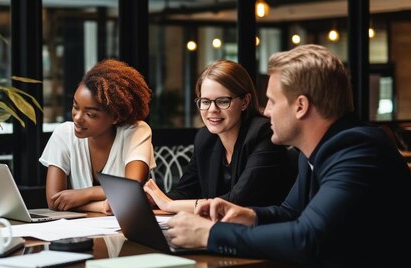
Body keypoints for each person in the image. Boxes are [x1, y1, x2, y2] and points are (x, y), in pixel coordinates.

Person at [166, 45, 411, 266]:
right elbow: (290, 212)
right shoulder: (314, 150)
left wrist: (209, 234)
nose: (266, 111)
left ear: (300, 106)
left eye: (272, 101)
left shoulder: (357, 149)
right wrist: (249, 215)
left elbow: (308, 238)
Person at [144, 60, 296, 213]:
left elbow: (237, 201)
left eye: (223, 101)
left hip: (262, 232)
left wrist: (168, 205)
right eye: (205, 101)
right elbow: (185, 192)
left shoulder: (263, 134)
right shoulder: (205, 138)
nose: (212, 109)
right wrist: (155, 200)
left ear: (245, 102)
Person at [39, 59, 155, 214]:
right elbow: (54, 201)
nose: (78, 118)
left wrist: (84, 194)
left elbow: (131, 188)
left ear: (116, 117)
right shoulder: (64, 134)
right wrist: (102, 206)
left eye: (90, 114)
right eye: (75, 107)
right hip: (77, 234)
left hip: (124, 232)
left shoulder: (136, 132)